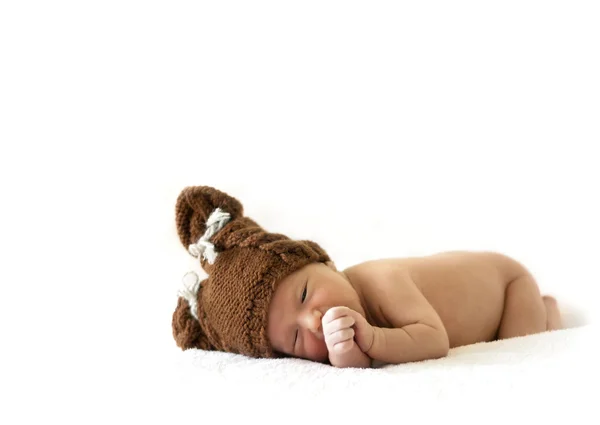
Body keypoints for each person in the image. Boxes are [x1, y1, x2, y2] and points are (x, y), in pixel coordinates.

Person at [172, 186, 562, 368]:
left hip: (507, 286)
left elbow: (433, 339)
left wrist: (372, 338)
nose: (313, 321)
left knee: (521, 344)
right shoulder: (342, 318)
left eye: (305, 293)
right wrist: (347, 354)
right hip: (494, 290)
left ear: (325, 264)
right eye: (294, 338)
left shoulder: (381, 281)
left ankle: (548, 310)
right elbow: (365, 362)